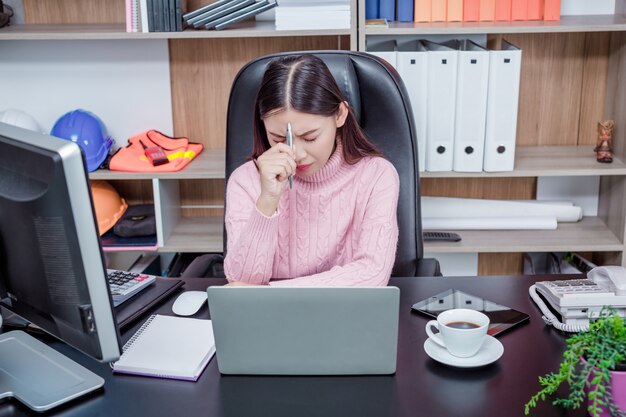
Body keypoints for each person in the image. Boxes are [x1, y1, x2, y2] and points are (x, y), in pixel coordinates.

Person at [223, 54, 399, 286]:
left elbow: (373, 274)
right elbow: (240, 283)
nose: (297, 154)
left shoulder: (377, 176)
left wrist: (270, 293)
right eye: (278, 139)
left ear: (340, 115)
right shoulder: (245, 181)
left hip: (340, 312)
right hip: (267, 316)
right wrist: (267, 201)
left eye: (310, 137)